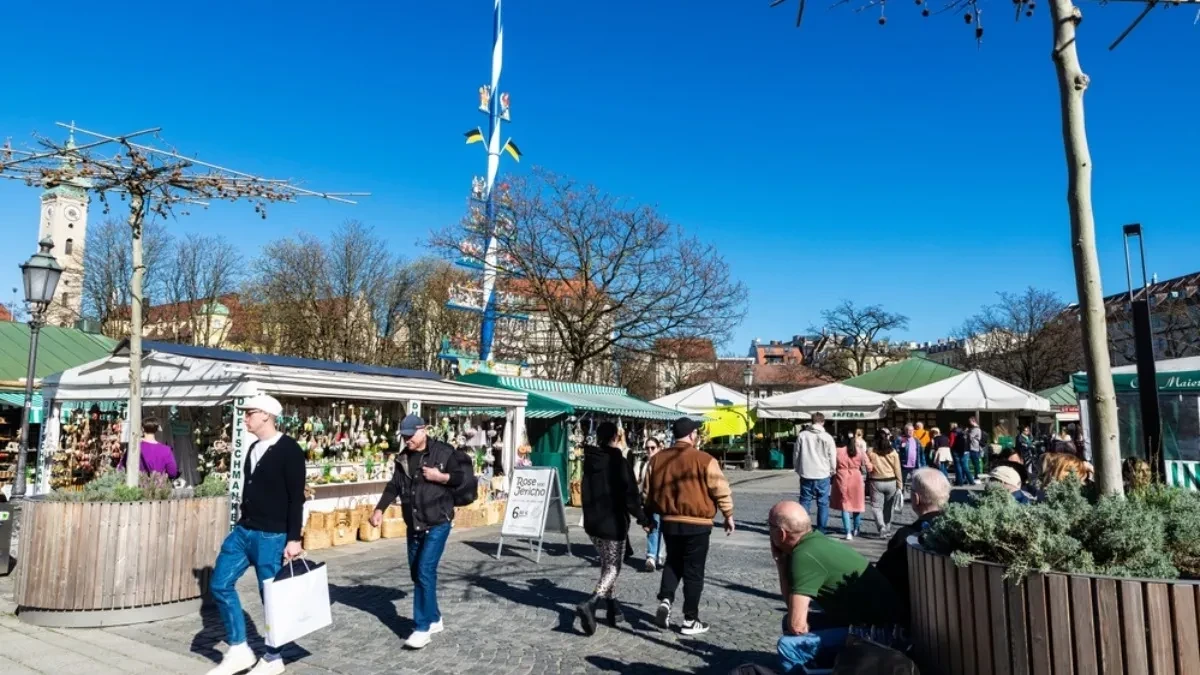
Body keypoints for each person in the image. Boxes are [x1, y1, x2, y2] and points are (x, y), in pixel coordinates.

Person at [206, 395, 305, 675]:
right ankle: (239, 649)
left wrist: (293, 538)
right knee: (220, 583)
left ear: (266, 415)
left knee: (270, 596)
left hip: (271, 536)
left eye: (249, 413)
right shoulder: (252, 448)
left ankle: (274, 657)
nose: (245, 418)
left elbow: (295, 498)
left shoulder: (289, 450)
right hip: (244, 530)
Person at [370, 414, 470, 649]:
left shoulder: (444, 452)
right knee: (417, 573)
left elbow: (460, 478)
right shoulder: (403, 457)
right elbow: (394, 485)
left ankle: (422, 627)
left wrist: (440, 477)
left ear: (423, 430)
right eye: (404, 436)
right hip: (414, 523)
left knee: (425, 570)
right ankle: (434, 617)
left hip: (438, 521)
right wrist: (379, 509)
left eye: (410, 435)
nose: (407, 440)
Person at [769, 501, 902, 674]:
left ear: (781, 533)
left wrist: (801, 631)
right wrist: (781, 563)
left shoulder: (804, 556)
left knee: (788, 647)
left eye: (769, 526)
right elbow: (793, 613)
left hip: (883, 636)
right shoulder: (814, 541)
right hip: (881, 626)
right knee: (788, 623)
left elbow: (798, 627)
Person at [643, 417, 735, 636]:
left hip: (670, 522)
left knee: (673, 563)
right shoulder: (705, 460)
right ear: (692, 435)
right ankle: (690, 619)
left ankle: (666, 600)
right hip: (698, 524)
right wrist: (728, 514)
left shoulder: (657, 460)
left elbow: (647, 493)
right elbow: (720, 489)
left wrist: (648, 518)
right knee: (694, 571)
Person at [576, 421, 651, 635]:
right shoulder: (618, 462)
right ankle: (591, 603)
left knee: (606, 564)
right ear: (616, 437)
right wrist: (643, 519)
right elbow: (631, 497)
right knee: (613, 568)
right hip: (612, 523)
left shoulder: (590, 460)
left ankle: (612, 608)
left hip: (593, 523)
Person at [874, 468, 949, 616]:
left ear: (916, 498)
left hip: (917, 614)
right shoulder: (963, 530)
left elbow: (884, 576)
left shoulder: (906, 536)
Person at [794, 412, 837, 533]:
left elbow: (796, 454)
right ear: (823, 422)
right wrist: (833, 469)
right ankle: (821, 529)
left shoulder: (802, 435)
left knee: (805, 501)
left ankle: (803, 529)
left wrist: (797, 468)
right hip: (823, 474)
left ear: (811, 422)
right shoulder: (827, 437)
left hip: (806, 473)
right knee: (823, 503)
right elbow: (832, 456)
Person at [831, 433, 869, 541]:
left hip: (842, 477)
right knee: (856, 505)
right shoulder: (860, 451)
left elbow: (832, 464)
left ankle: (848, 532)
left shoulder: (838, 451)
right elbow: (868, 465)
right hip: (856, 478)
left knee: (845, 506)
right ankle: (856, 529)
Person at [636, 436, 666, 571]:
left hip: (666, 502)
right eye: (647, 448)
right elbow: (639, 485)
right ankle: (651, 557)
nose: (649, 450)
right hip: (651, 502)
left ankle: (659, 555)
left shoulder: (665, 463)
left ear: (659, 448)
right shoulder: (642, 464)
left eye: (652, 448)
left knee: (666, 531)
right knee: (654, 528)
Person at [867, 429, 903, 539]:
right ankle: (887, 528)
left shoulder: (870, 451)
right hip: (891, 481)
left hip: (876, 481)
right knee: (889, 507)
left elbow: (867, 466)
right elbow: (897, 469)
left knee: (876, 507)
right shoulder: (893, 452)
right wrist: (900, 485)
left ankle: (881, 527)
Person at [896, 424, 924, 493]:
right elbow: (895, 451)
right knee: (901, 483)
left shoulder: (917, 440)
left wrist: (923, 464)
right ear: (905, 431)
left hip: (915, 466)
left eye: (912, 430)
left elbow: (921, 453)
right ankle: (901, 497)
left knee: (916, 484)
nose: (910, 432)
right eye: (908, 430)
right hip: (903, 466)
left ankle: (915, 497)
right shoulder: (900, 439)